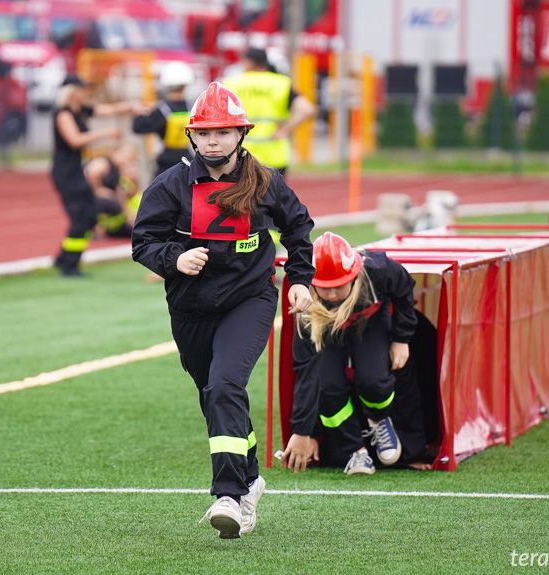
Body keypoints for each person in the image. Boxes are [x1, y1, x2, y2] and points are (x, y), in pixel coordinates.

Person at [132, 82, 315, 539]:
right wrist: (173, 258)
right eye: (205, 133)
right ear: (192, 137)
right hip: (191, 307)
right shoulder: (170, 184)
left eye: (224, 132)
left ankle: (229, 497)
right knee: (214, 395)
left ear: (240, 135)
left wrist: (300, 281)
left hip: (249, 300)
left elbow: (298, 229)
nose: (213, 141)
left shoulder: (267, 181)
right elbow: (143, 242)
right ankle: (252, 481)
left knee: (225, 384)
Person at [282, 232, 418, 476]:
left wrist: (401, 339)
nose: (332, 295)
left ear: (354, 275)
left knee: (373, 379)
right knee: (327, 386)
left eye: (339, 286)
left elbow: (405, 290)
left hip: (370, 324)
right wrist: (305, 431)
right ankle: (356, 450)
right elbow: (304, 372)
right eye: (325, 288)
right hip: (327, 332)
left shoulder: (379, 270)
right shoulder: (305, 308)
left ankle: (379, 420)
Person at [50, 74, 141, 276]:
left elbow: (107, 109)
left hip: (75, 170)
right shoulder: (63, 113)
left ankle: (64, 258)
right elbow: (74, 140)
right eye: (82, 89)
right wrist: (104, 133)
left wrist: (132, 106)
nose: (85, 92)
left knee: (90, 214)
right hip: (65, 173)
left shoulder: (79, 110)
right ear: (72, 91)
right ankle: (68, 264)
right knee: (79, 217)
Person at [222, 47, 316, 176]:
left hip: (240, 155)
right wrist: (285, 129)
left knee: (242, 195)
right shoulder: (281, 83)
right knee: (274, 195)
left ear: (250, 63)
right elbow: (307, 109)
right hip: (274, 155)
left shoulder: (232, 84)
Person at [132, 61, 195, 176]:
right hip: (188, 159)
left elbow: (137, 127)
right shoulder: (192, 108)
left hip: (166, 163)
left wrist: (140, 113)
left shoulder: (162, 110)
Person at [86, 143, 141, 238]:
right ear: (117, 152)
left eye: (132, 156)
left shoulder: (119, 170)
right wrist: (98, 189)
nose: (129, 158)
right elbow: (91, 173)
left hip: (107, 203)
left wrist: (134, 181)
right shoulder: (105, 163)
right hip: (88, 197)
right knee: (111, 203)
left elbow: (127, 193)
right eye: (127, 154)